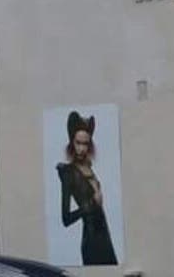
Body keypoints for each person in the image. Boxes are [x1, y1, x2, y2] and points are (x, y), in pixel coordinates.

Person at [56, 111, 117, 265]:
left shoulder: (89, 168)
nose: (82, 148)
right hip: (91, 240)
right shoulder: (68, 172)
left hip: (105, 237)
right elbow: (66, 219)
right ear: (72, 142)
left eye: (85, 144)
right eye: (78, 143)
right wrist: (91, 203)